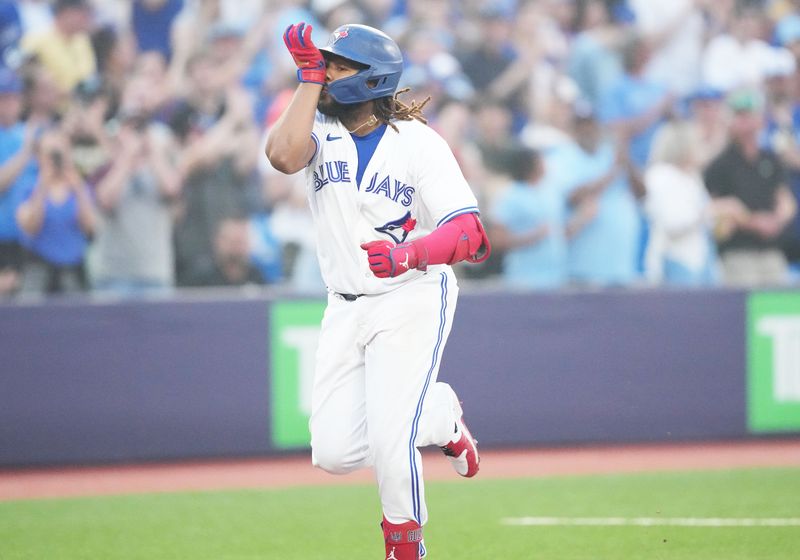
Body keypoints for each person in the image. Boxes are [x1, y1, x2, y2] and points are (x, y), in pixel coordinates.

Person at [265, 22, 490, 560]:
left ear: (371, 80)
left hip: (411, 295)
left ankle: (405, 547)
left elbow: (470, 232)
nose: (328, 73)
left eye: (338, 66)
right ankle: (438, 416)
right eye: (326, 64)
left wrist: (412, 253)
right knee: (334, 451)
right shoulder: (320, 130)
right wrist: (307, 79)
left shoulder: (418, 143)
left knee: (392, 442)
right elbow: (281, 156)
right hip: (344, 302)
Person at [704, 89, 798, 286]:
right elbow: (714, 207)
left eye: (750, 114)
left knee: (776, 307)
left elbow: (785, 199)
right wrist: (754, 222)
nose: (745, 121)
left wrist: (776, 221)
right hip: (738, 251)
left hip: (771, 249)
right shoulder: (721, 163)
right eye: (740, 115)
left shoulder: (770, 159)